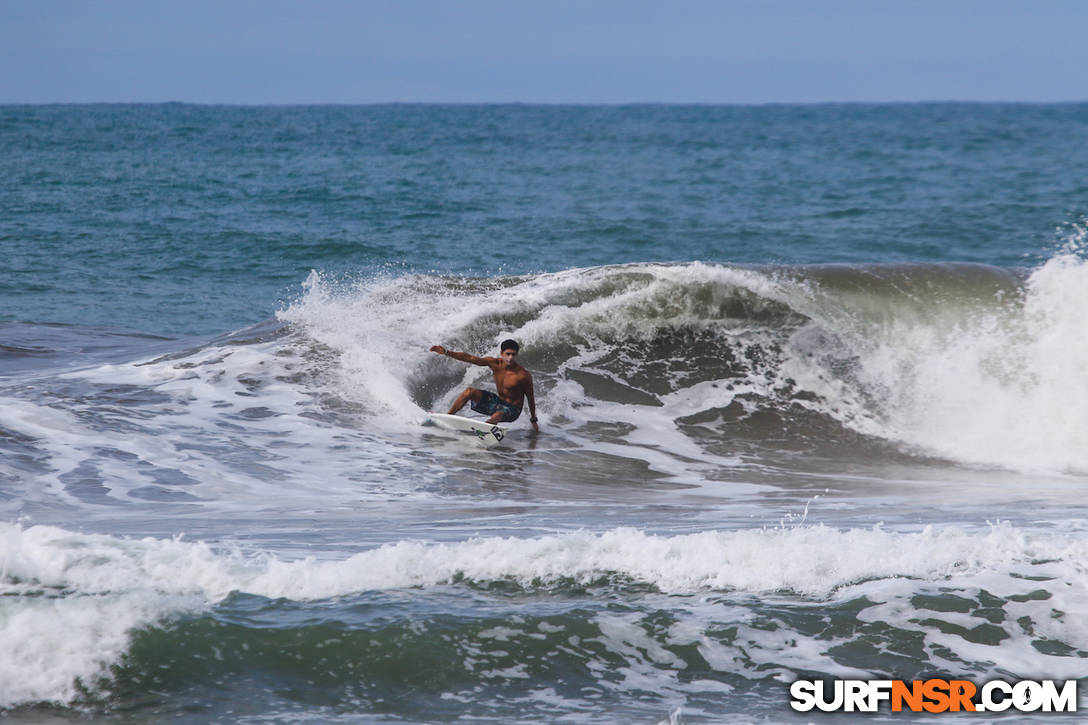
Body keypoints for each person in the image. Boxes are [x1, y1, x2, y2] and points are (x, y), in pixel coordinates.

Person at [430, 339, 539, 432]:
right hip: (499, 402)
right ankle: (448, 417)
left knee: (498, 414)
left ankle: (483, 433)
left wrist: (533, 420)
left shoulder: (523, 375)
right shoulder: (494, 363)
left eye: (513, 354)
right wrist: (446, 352)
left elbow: (530, 397)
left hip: (513, 410)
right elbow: (470, 358)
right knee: (469, 391)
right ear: (501, 353)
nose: (510, 357)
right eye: (508, 354)